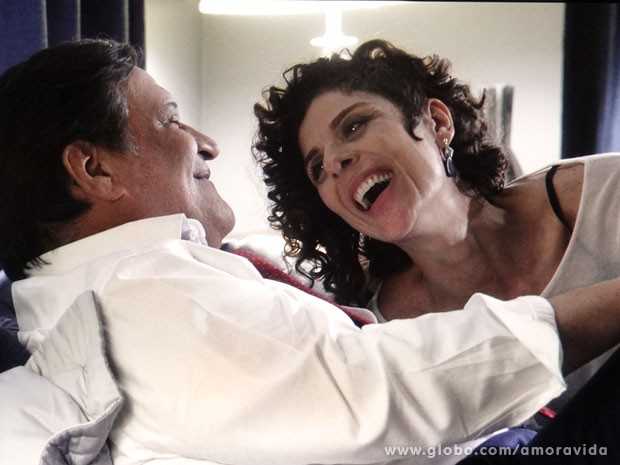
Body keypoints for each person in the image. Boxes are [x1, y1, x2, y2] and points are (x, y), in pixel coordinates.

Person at [0, 39, 618, 465]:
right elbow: (380, 398)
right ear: (94, 170)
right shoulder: (144, 297)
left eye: (356, 124)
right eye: (171, 120)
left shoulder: (139, 290)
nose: (206, 143)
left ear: (436, 123)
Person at [252, 38, 620, 412]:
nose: (333, 162)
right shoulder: (382, 333)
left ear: (438, 123)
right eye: (317, 168)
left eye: (354, 125)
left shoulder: (602, 193)